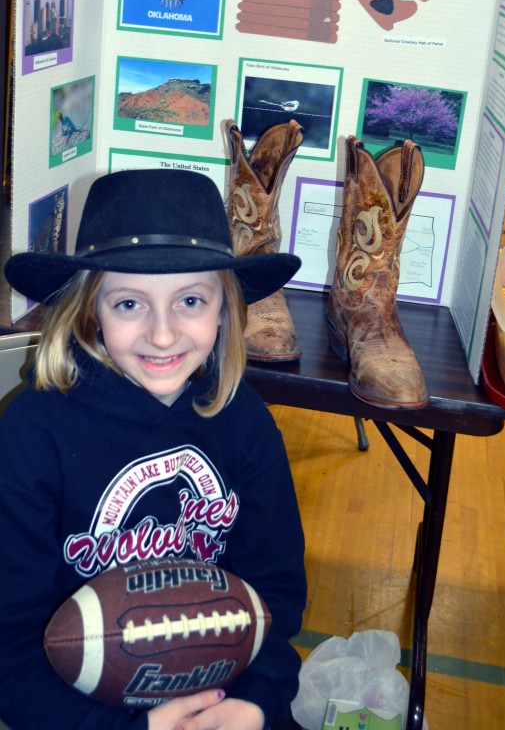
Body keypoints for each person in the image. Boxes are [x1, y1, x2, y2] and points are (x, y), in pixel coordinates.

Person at [0, 168, 306, 730]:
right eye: (129, 304)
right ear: (91, 308)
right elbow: (10, 652)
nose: (163, 335)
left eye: (190, 300)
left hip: (228, 698)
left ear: (224, 308)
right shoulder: (30, 437)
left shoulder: (246, 424)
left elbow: (276, 602)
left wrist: (256, 703)